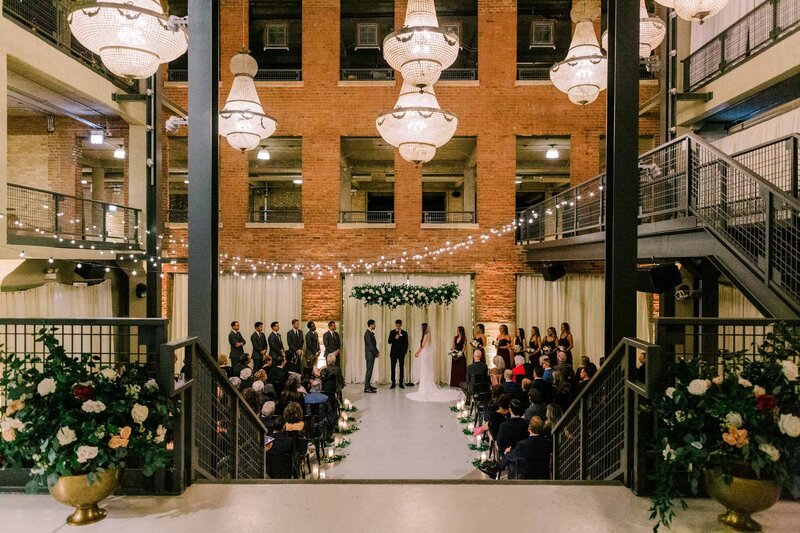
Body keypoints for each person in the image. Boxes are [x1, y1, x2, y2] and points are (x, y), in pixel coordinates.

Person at [407, 323, 462, 402]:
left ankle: (425, 387)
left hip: (425, 353)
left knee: (425, 370)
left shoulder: (426, 335)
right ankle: (426, 385)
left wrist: (417, 352)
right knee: (426, 370)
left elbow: (422, 346)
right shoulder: (429, 335)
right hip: (426, 353)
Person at [387, 319, 409, 389]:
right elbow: (389, 341)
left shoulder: (404, 333)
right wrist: (394, 338)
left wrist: (404, 352)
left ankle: (401, 383)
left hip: (401, 353)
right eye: (396, 325)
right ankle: (393, 382)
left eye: (399, 326)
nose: (397, 327)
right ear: (395, 325)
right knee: (393, 368)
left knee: (401, 368)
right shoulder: (392, 332)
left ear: (401, 325)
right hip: (393, 353)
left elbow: (406, 343)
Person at [363, 319, 379, 393]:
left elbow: (373, 345)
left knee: (370, 370)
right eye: (374, 324)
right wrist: (376, 353)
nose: (375, 326)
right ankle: (366, 387)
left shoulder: (370, 333)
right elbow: (371, 346)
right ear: (371, 325)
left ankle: (368, 385)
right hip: (370, 355)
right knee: (369, 371)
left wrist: (377, 352)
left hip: (371, 354)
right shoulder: (367, 334)